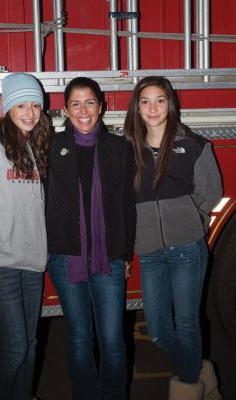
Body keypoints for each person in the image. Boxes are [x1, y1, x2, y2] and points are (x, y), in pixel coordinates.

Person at [124, 76, 223, 400]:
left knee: (187, 323)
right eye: (145, 101)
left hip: (188, 250)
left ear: (171, 103)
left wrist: (192, 216)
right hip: (150, 251)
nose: (153, 108)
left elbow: (212, 192)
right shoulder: (126, 150)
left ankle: (189, 388)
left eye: (160, 100)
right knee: (157, 329)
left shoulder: (193, 144)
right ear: (136, 107)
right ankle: (199, 371)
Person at [46, 77, 136, 400]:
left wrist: (125, 253)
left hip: (108, 256)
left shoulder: (119, 148)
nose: (83, 110)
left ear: (101, 106)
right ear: (65, 110)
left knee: (112, 340)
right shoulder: (52, 147)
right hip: (65, 257)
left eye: (90, 102)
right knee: (80, 337)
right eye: (75, 103)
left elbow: (128, 205)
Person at [0, 72, 51, 400]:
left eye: (35, 104)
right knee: (16, 348)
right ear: (8, 107)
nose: (30, 111)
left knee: (30, 345)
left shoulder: (33, 148)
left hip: (32, 262)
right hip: (1, 263)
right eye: (21, 104)